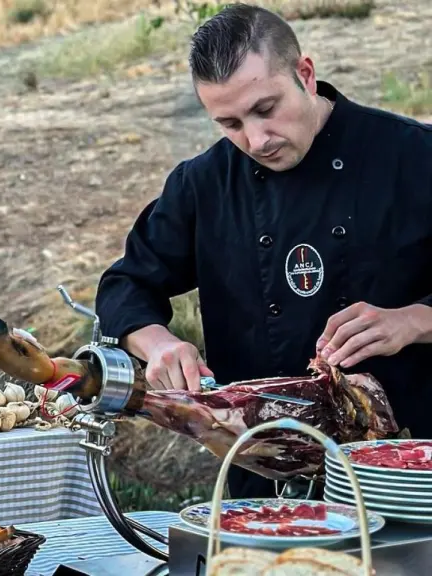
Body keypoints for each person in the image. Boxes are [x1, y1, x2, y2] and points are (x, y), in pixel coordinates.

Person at [93, 3, 432, 499]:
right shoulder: (202, 184)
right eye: (228, 123)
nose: (255, 139)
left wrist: (414, 321)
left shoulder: (414, 158)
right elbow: (127, 284)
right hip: (262, 475)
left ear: (306, 74)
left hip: (406, 469)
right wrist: (158, 345)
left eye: (265, 109)